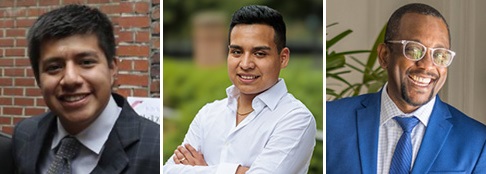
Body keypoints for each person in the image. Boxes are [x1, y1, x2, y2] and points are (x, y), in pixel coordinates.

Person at [327, 3, 486, 173]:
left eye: (439, 55)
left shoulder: (477, 142)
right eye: (414, 50)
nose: (426, 66)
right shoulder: (332, 120)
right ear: (384, 56)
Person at [163, 5, 316, 174]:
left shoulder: (296, 118)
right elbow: (169, 170)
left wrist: (203, 170)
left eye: (259, 54)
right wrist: (239, 171)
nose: (245, 64)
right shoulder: (208, 114)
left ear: (283, 58)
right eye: (237, 52)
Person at [12, 4, 160, 174]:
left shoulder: (154, 150)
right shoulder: (25, 135)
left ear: (112, 68)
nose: (70, 79)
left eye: (86, 62)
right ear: (38, 78)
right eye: (54, 67)